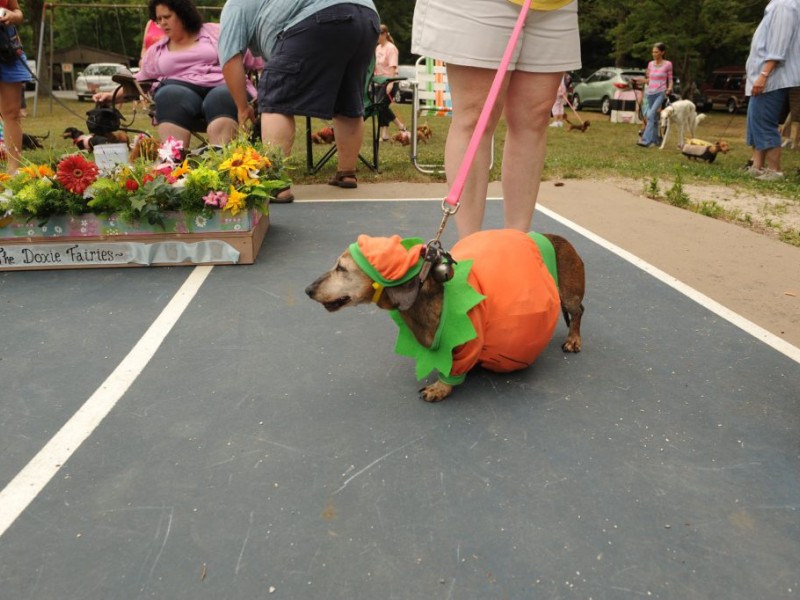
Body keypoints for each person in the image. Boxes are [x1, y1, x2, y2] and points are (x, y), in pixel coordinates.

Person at [412, 0, 581, 238]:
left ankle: (516, 243)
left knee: (535, 117)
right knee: (475, 114)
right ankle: (470, 246)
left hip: (553, 5)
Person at [218, 1, 379, 202]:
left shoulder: (234, 6)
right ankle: (346, 173)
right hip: (367, 17)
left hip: (320, 16)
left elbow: (230, 57)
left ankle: (276, 184)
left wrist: (242, 108)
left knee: (276, 98)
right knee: (347, 96)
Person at [94, 0, 261, 151]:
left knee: (223, 96)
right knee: (168, 95)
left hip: (222, 84)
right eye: (158, 19)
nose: (162, 23)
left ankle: (221, 160)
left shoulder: (215, 32)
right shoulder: (156, 51)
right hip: (178, 91)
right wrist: (111, 96)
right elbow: (140, 81)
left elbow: (249, 55)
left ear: (183, 14)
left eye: (167, 17)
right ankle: (174, 161)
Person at [744, 0, 800, 181]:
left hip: (773, 77)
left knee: (764, 121)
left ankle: (775, 170)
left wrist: (764, 74)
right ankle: (757, 166)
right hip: (763, 75)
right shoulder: (778, 4)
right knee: (755, 120)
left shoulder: (784, 5)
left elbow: (778, 45)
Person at [0, 0, 31, 174]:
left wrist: (11, 15)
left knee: (12, 113)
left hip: (7, 48)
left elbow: (18, 13)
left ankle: (13, 172)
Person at [374, 23, 407, 141]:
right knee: (379, 107)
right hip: (379, 82)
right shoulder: (377, 48)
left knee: (381, 105)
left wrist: (390, 83)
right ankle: (385, 134)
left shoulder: (391, 48)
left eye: (377, 34)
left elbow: (393, 67)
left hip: (389, 81)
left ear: (383, 35)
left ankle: (400, 125)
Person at [637, 42, 673, 148]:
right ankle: (656, 140)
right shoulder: (650, 64)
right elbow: (650, 80)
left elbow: (670, 79)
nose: (654, 54)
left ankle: (645, 140)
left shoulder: (668, 64)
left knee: (651, 114)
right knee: (654, 117)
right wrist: (639, 80)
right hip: (650, 93)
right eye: (653, 52)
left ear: (662, 52)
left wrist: (669, 88)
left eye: (656, 52)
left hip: (660, 92)